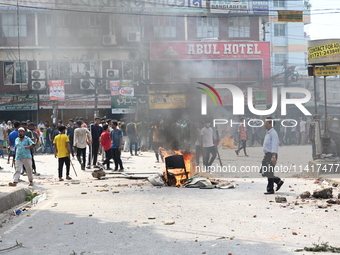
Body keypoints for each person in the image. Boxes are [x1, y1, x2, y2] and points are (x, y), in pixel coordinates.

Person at [260, 117, 284, 194]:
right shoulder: (268, 132)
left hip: (271, 155)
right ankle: (278, 181)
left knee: (269, 172)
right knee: (265, 172)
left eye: (266, 123)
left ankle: (270, 189)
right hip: (267, 155)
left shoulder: (273, 133)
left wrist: (273, 156)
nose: (264, 125)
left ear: (271, 124)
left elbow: (274, 145)